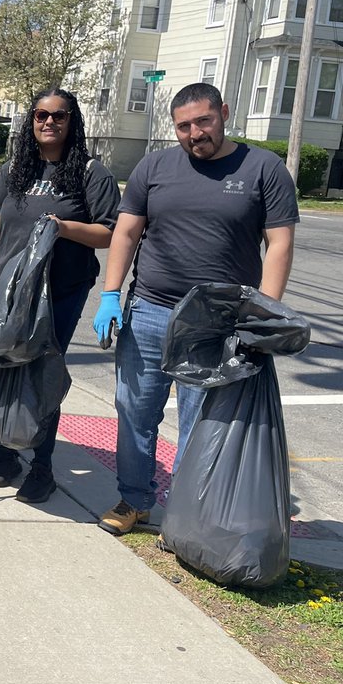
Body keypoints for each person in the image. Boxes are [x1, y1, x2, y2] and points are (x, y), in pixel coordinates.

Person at [92, 82, 298, 534]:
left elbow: (279, 244)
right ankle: (134, 500)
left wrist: (262, 314)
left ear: (224, 112)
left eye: (203, 121)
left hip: (216, 323)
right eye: (183, 126)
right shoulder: (154, 166)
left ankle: (185, 516)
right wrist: (110, 294)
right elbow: (126, 232)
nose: (194, 133)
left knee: (200, 422)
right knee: (134, 411)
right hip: (149, 310)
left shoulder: (263, 168)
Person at [0, 89, 120, 503]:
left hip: (60, 293)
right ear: (31, 120)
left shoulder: (90, 173)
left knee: (41, 375)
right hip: (7, 291)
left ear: (72, 121)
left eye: (58, 115)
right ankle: (6, 455)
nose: (48, 122)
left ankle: (42, 468)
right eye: (40, 115)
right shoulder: (15, 169)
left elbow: (108, 233)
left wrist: (64, 228)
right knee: (5, 368)